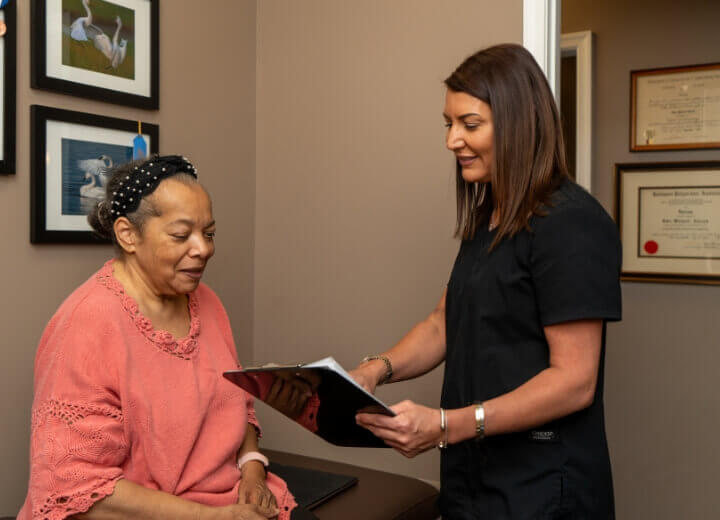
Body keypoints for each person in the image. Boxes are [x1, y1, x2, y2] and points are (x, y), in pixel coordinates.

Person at [352, 44, 622, 519]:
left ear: (519, 124)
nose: (452, 140)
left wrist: (447, 425)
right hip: (473, 478)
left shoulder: (572, 223)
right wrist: (375, 371)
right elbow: (444, 321)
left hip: (542, 488)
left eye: (470, 125)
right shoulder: (489, 217)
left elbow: (575, 381)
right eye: (448, 124)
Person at [18, 156, 296, 520]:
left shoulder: (207, 303)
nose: (204, 249)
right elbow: (77, 489)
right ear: (128, 235)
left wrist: (253, 470)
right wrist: (214, 517)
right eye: (181, 235)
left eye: (209, 234)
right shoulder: (86, 324)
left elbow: (233, 405)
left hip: (227, 501)